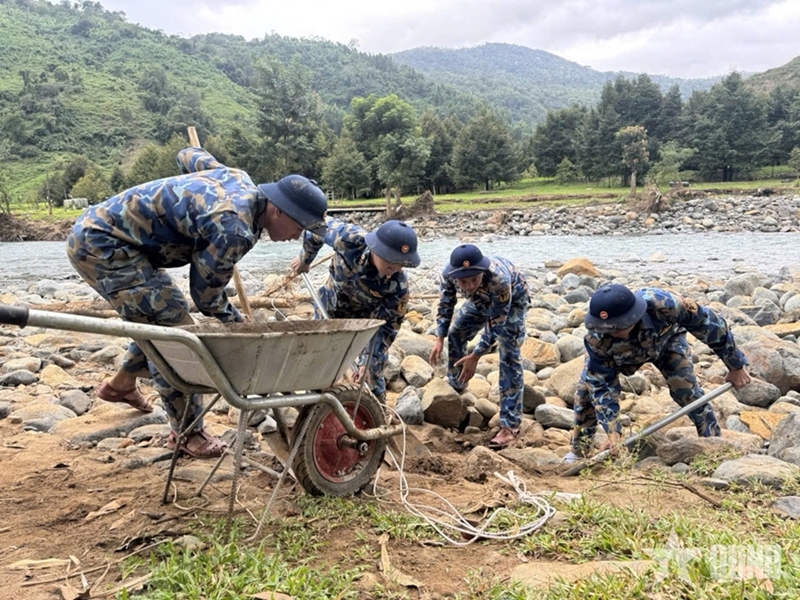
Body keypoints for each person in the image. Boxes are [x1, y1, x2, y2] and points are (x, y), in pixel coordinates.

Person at [66, 146, 327, 458]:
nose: (297, 236)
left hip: (119, 238)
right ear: (278, 211)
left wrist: (199, 189)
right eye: (299, 228)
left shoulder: (236, 177)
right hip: (102, 245)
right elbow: (206, 297)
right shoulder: (234, 229)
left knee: (158, 313)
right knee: (175, 333)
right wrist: (237, 323)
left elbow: (187, 154)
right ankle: (188, 433)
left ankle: (122, 385)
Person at [569, 283, 751, 460]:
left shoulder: (665, 304)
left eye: (618, 326)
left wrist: (735, 365)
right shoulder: (596, 337)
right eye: (607, 327)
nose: (611, 331)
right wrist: (613, 432)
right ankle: (578, 453)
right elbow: (601, 385)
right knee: (585, 395)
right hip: (619, 357)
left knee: (686, 390)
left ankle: (713, 443)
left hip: (667, 343)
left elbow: (711, 325)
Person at [291, 218, 420, 402]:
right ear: (376, 249)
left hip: (364, 321)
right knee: (320, 361)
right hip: (329, 307)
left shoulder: (398, 286)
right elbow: (315, 227)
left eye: (401, 264)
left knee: (371, 370)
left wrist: (367, 362)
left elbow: (386, 329)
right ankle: (314, 404)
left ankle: (376, 408)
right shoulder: (348, 239)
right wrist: (305, 259)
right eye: (391, 261)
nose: (395, 268)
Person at [429, 244, 529, 449]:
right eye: (463, 282)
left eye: (474, 279)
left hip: (512, 303)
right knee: (456, 332)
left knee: (509, 355)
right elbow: (446, 305)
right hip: (479, 300)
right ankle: (457, 385)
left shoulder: (500, 280)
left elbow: (497, 322)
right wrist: (439, 337)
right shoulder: (448, 275)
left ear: (482, 272)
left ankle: (510, 426)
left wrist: (475, 356)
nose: (468, 285)